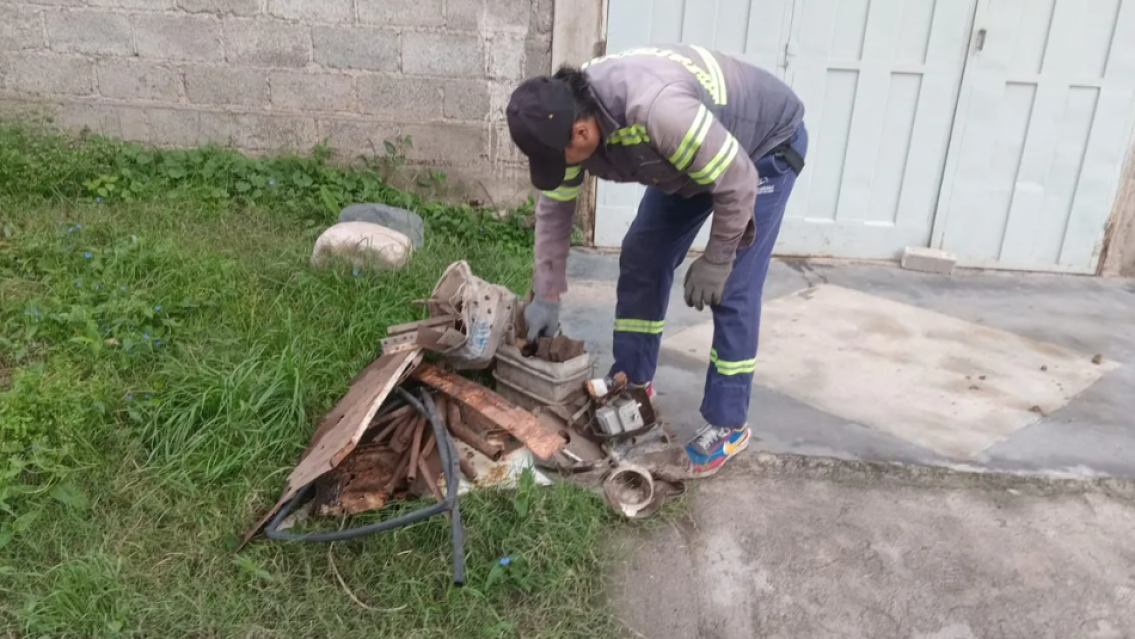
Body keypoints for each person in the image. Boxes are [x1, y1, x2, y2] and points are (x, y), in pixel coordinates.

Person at [505, 45, 807, 477]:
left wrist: (718, 259)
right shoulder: (569, 117)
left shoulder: (656, 111)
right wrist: (547, 291)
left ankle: (728, 424)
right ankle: (632, 382)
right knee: (643, 255)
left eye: (558, 160)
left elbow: (738, 180)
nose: (558, 168)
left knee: (735, 286)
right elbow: (554, 210)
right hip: (694, 159)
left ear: (582, 134)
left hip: (762, 151)